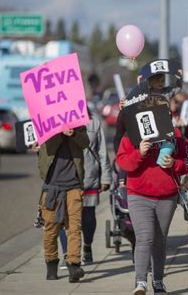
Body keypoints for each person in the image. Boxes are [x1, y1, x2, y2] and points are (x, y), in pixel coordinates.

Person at [116, 95, 188, 294]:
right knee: (144, 238)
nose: (167, 114)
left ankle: (158, 281)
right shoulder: (132, 135)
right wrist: (139, 152)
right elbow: (123, 163)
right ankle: (140, 282)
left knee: (159, 241)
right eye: (162, 111)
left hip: (166, 197)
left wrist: (175, 165)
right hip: (138, 195)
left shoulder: (176, 134)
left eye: (168, 110)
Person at [32, 126, 89, 283]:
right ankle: (51, 265)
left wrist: (73, 133)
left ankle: (73, 266)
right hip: (51, 187)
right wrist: (56, 133)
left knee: (74, 228)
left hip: (74, 186)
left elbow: (85, 142)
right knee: (51, 229)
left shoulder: (78, 125)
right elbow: (44, 147)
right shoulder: (45, 126)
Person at [58, 108, 113, 267]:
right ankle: (68, 253)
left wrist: (106, 177)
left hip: (89, 176)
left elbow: (102, 151)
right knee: (63, 217)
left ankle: (87, 246)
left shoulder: (93, 121)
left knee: (88, 215)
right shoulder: (56, 120)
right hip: (64, 177)